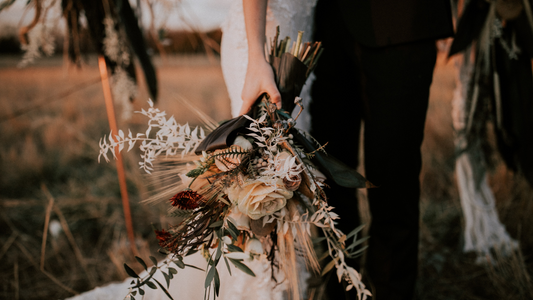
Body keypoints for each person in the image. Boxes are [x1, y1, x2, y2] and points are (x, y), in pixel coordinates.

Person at [308, 0, 454, 299]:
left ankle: (392, 291)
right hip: (324, 23)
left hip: (401, 20)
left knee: (393, 178)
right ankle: (341, 289)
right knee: (328, 176)